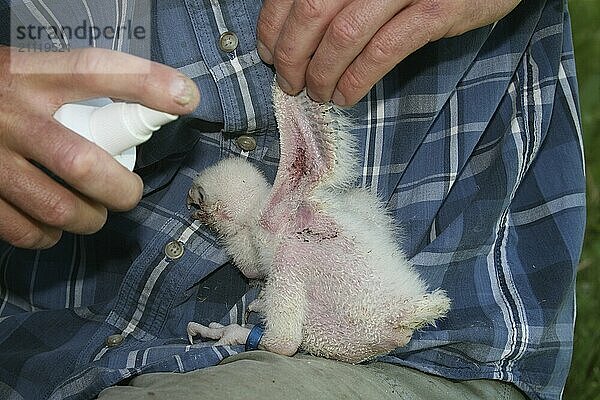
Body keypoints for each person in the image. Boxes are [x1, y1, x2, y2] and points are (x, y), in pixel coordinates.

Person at [0, 0, 585, 399]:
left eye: (212, 215)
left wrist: (246, 335)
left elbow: (281, 333)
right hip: (34, 332)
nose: (206, 220)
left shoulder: (287, 238)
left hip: (424, 350)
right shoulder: (295, 216)